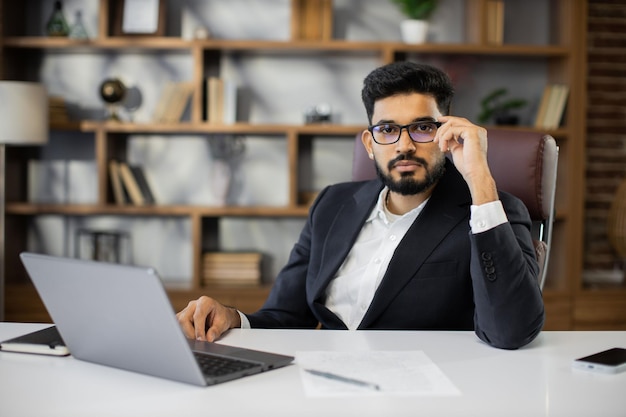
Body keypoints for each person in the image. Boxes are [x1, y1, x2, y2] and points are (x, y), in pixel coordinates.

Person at [176, 61, 545, 350]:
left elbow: (510, 331)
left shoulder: (493, 210)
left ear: (446, 134)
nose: (404, 146)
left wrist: (479, 178)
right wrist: (233, 319)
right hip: (326, 386)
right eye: (387, 130)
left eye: (422, 128)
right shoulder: (332, 205)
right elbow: (288, 317)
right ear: (370, 144)